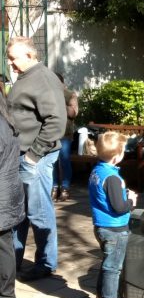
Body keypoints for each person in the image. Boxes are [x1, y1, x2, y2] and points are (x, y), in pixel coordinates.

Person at [6, 36, 66, 282]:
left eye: (13, 58)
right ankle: (11, 261)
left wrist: (33, 155)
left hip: (35, 158)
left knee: (39, 212)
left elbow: (57, 121)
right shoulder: (26, 77)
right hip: (19, 156)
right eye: (8, 59)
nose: (10, 63)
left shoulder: (43, 79)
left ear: (30, 55)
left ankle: (46, 264)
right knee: (18, 212)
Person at [89, 131, 137, 298]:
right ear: (117, 156)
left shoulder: (97, 171)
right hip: (115, 228)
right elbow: (119, 207)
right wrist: (131, 201)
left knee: (107, 264)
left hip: (101, 226)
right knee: (113, 268)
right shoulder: (113, 178)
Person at [0, 93, 25, 298]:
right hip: (7, 191)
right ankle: (6, 295)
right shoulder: (6, 119)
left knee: (3, 244)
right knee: (4, 242)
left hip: (3, 193)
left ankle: (6, 295)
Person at [52, 73, 79, 202]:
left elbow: (73, 113)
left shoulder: (70, 94)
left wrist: (60, 102)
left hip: (64, 134)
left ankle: (65, 188)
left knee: (64, 160)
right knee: (52, 161)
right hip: (50, 133)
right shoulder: (48, 93)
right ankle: (54, 187)